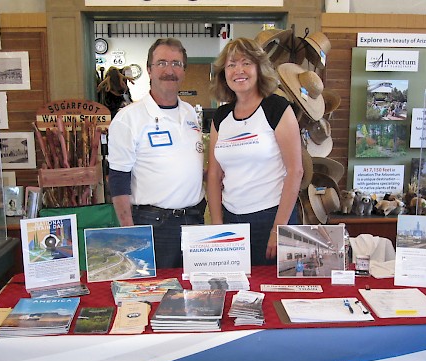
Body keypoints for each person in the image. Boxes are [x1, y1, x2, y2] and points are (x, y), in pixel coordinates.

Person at [107, 38, 206, 269]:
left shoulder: (190, 113)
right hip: (155, 226)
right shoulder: (129, 118)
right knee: (157, 293)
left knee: (194, 293)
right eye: (162, 63)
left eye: (176, 64)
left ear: (184, 71)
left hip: (195, 221)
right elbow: (119, 178)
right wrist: (131, 232)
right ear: (149, 70)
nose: (169, 70)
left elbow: (184, 163)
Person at [207, 37, 303, 266]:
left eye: (246, 63)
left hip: (271, 218)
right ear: (223, 74)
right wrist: (217, 225)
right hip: (231, 221)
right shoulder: (221, 117)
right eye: (231, 65)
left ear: (259, 68)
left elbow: (295, 171)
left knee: (273, 294)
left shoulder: (277, 108)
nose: (238, 70)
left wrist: (278, 229)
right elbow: (213, 174)